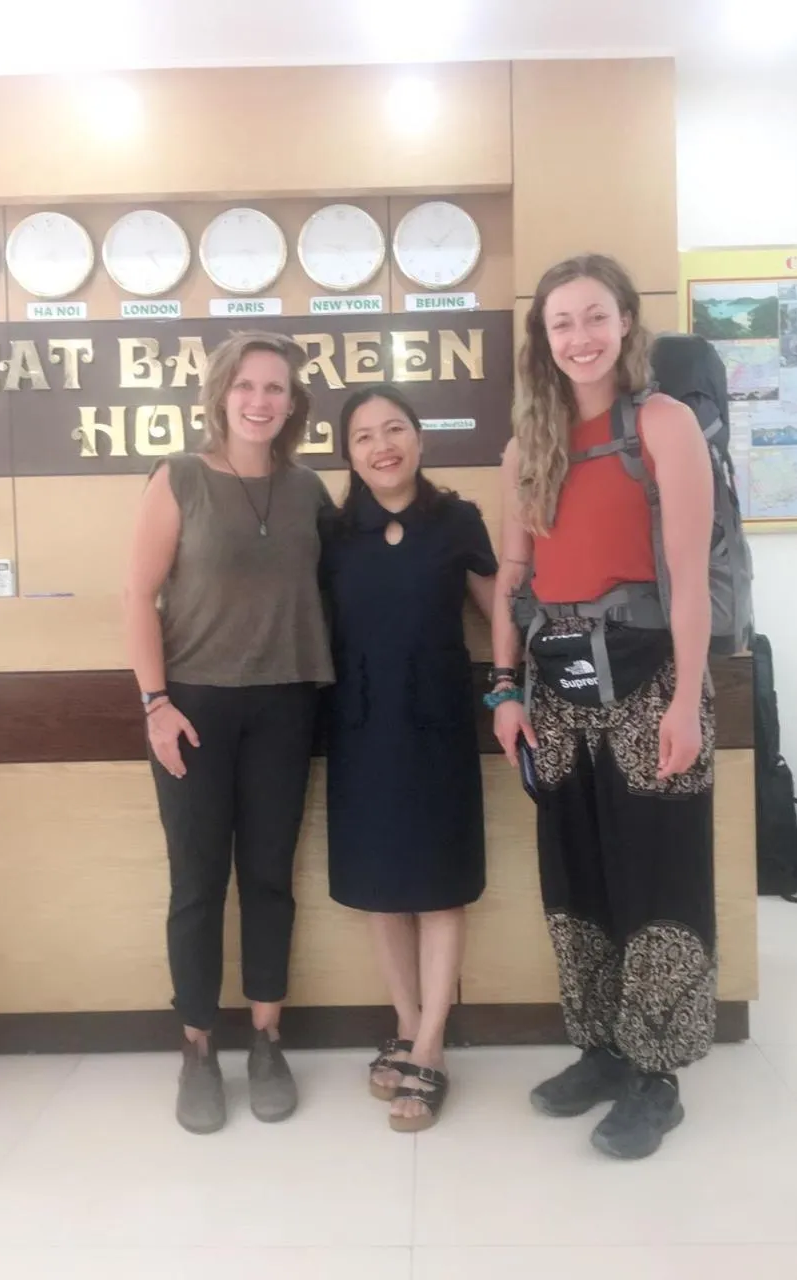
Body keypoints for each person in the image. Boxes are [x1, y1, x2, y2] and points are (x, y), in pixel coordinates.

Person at [490, 254, 717, 1160]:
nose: (579, 338)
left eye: (594, 317)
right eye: (560, 324)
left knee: (657, 874)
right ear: (542, 341)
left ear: (626, 322)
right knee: (575, 872)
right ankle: (602, 1047)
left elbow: (692, 578)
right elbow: (513, 575)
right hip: (558, 692)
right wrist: (505, 690)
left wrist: (689, 702)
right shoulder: (524, 448)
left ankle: (657, 1074)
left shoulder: (663, 425)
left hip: (652, 681)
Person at [124, 331, 333, 1135]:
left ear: (293, 401)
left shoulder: (311, 489)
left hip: (286, 705)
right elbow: (136, 596)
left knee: (271, 878)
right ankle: (198, 1050)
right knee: (198, 882)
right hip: (194, 711)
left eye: (276, 387)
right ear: (220, 394)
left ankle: (267, 1041)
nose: (260, 400)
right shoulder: (178, 478)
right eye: (246, 385)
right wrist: (155, 703)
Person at [319, 384, 496, 1133]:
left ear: (420, 439)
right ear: (349, 455)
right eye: (364, 436)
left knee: (439, 884)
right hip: (359, 723)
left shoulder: (458, 520)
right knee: (381, 889)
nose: (382, 445)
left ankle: (429, 1047)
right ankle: (405, 1018)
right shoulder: (331, 531)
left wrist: (516, 683)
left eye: (395, 429)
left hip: (436, 722)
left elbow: (504, 616)